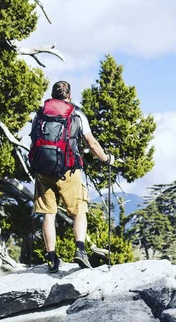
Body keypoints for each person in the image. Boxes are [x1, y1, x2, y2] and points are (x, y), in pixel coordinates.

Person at [30, 81, 114, 273]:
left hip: (43, 170)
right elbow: (91, 143)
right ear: (69, 95)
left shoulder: (40, 114)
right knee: (78, 210)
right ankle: (80, 250)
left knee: (48, 214)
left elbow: (34, 140)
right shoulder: (76, 114)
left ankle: (51, 258)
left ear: (52, 95)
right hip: (69, 169)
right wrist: (106, 158)